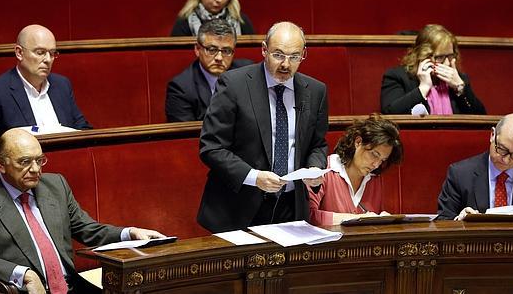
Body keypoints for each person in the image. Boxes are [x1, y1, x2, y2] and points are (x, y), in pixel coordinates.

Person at [0, 129, 165, 294]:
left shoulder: (55, 185)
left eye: (40, 160)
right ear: (2, 163)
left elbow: (87, 229)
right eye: (25, 162)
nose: (35, 169)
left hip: (72, 287)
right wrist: (24, 274)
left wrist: (130, 233)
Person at [197, 21, 328, 233]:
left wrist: (314, 169)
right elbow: (211, 147)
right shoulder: (233, 84)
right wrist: (254, 176)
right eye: (278, 54)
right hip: (238, 206)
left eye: (294, 57)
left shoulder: (315, 90)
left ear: (304, 54)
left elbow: (317, 144)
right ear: (264, 49)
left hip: (290, 207)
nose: (286, 64)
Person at [0, 24, 91, 142]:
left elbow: (84, 130)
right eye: (40, 52)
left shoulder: (62, 85)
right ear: (19, 53)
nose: (48, 60)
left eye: (52, 53)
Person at [436, 113, 513, 220]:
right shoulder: (460, 174)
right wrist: (460, 221)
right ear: (492, 135)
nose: (506, 160)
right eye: (502, 149)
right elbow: (443, 221)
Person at [308, 115, 403, 225]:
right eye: (374, 154)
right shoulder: (325, 169)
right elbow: (310, 216)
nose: (376, 164)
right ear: (358, 142)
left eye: (382, 160)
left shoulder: (374, 179)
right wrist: (357, 218)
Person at [380, 24, 486, 115]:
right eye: (440, 57)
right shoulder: (398, 77)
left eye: (450, 56)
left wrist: (461, 88)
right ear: (422, 56)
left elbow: (481, 119)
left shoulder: (459, 79)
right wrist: (423, 88)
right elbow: (389, 114)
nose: (447, 63)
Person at [165, 19, 253, 122]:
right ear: (197, 49)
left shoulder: (248, 73)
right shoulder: (181, 89)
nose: (219, 58)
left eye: (226, 51)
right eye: (212, 50)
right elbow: (187, 135)